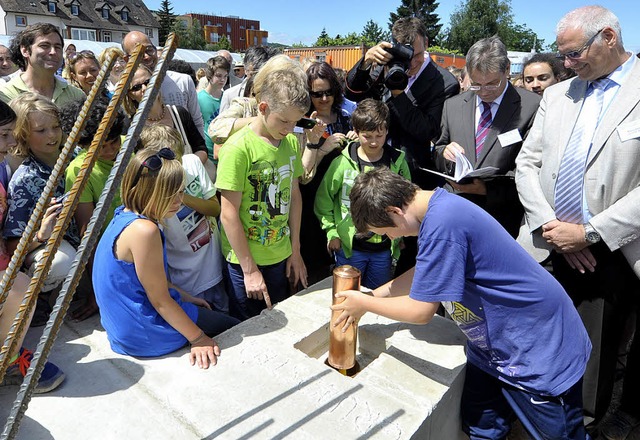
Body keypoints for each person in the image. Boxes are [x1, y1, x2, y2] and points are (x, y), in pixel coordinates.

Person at [333, 167, 591, 439]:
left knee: (560, 434)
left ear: (395, 212)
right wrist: (372, 296)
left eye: (385, 232)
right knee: (482, 425)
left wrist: (364, 304)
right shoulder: (439, 208)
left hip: (535, 346)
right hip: (493, 349)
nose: (390, 239)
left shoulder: (442, 225)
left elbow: (421, 311)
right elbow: (425, 272)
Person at [515, 6, 640, 436]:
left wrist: (587, 233)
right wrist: (553, 228)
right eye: (563, 56)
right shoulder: (558, 95)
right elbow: (527, 166)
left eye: (573, 54)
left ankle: (580, 428)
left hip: (609, 252)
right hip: (548, 246)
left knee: (592, 360)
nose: (566, 65)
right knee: (537, 342)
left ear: (608, 37)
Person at [92, 148, 239, 367]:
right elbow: (160, 300)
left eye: (181, 192)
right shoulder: (145, 231)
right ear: (148, 191)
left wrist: (186, 297)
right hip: (145, 332)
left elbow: (149, 280)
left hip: (122, 330)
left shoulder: (124, 213)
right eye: (171, 195)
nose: (179, 201)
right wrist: (198, 339)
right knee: (235, 327)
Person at [216, 66, 309, 321]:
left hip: (279, 255)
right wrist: (249, 270)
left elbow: (294, 196)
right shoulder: (237, 148)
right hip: (245, 263)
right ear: (264, 107)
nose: (290, 129)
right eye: (284, 120)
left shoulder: (289, 142)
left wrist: (296, 250)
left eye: (295, 122)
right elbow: (228, 213)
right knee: (248, 329)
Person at [433, 36, 541, 238]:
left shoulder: (532, 107)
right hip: (457, 212)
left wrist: (487, 190)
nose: (483, 92)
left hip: (501, 219)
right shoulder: (453, 105)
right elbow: (439, 149)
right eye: (475, 85)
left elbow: (533, 170)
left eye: (491, 84)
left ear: (507, 70)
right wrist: (445, 154)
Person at [345, 17, 459, 190]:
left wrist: (398, 93)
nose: (412, 63)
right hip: (372, 164)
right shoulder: (386, 65)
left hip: (412, 173)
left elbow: (427, 130)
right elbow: (352, 93)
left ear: (426, 43)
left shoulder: (445, 83)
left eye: (417, 55)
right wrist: (366, 61)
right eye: (406, 56)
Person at [315, 99, 410, 289]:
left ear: (387, 132)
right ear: (356, 132)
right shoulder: (342, 163)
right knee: (347, 292)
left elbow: (408, 200)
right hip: (350, 248)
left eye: (379, 135)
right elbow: (323, 200)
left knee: (377, 294)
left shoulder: (397, 162)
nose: (374, 141)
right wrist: (332, 232)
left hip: (384, 248)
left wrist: (401, 235)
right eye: (367, 136)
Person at [3, 93, 76, 327]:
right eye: (41, 131)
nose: (52, 135)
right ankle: (39, 297)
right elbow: (14, 245)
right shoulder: (25, 180)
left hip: (85, 234)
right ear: (23, 135)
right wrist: (41, 235)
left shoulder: (78, 157)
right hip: (47, 243)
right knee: (58, 263)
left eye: (55, 127)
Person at [139, 125, 229, 314]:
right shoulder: (152, 198)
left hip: (217, 269)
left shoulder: (192, 164)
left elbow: (214, 208)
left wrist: (180, 196)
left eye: (177, 161)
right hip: (188, 284)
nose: (176, 169)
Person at [61, 97, 126, 321]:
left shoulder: (131, 144)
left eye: (114, 142)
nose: (110, 151)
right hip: (114, 252)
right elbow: (88, 233)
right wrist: (97, 291)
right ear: (83, 145)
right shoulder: (79, 170)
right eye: (101, 147)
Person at [121, 31, 204, 135]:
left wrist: (201, 149)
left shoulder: (183, 81)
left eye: (149, 50)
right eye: (139, 54)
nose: (146, 56)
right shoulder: (122, 91)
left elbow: (197, 121)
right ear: (126, 59)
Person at [123, 65, 208, 165]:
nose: (145, 88)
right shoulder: (131, 126)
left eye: (148, 82)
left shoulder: (179, 113)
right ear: (130, 95)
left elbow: (201, 148)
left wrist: (187, 169)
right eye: (136, 87)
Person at [0, 24, 84, 108]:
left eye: (57, 47)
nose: (53, 52)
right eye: (44, 46)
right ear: (25, 50)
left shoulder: (76, 96)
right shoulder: (6, 96)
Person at [219, 46, 276, 114]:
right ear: (245, 70)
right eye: (254, 73)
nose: (259, 78)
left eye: (264, 73)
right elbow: (222, 123)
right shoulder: (230, 95)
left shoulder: (278, 94)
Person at [198, 56, 230, 165]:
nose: (222, 79)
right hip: (208, 154)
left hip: (225, 152)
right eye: (218, 76)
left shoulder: (228, 97)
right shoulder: (199, 98)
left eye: (225, 76)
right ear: (209, 76)